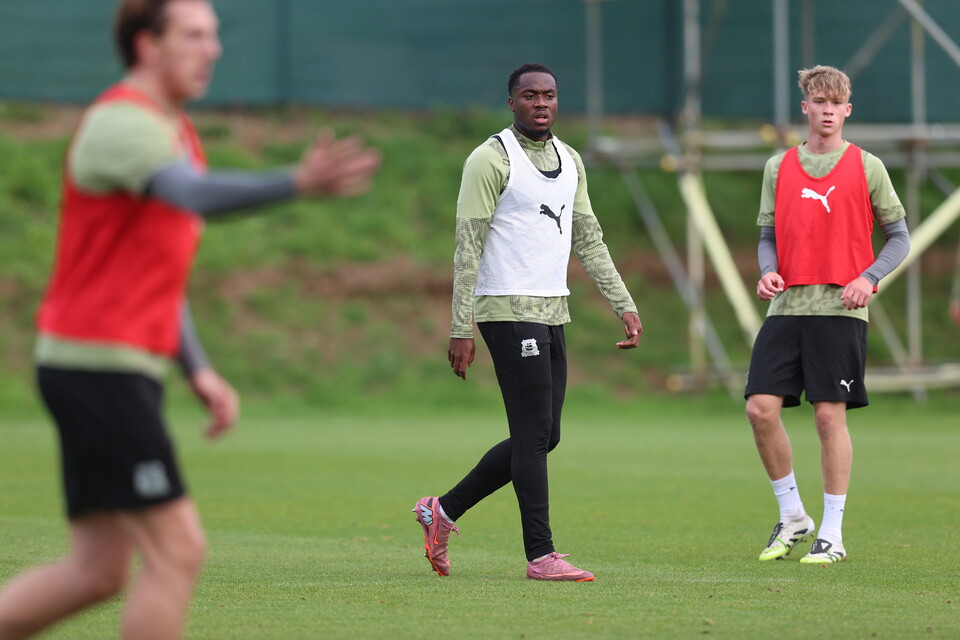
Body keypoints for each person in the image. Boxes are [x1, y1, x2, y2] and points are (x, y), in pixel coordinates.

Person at [0, 1, 379, 638]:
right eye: (195, 35)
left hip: (106, 365)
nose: (214, 50)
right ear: (148, 45)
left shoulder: (172, 134)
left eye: (215, 35)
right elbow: (194, 195)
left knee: (97, 571)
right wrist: (295, 181)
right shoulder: (122, 122)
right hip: (98, 366)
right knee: (178, 549)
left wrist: (197, 368)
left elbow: (156, 273)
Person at [412, 63, 642, 582]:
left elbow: (588, 237)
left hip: (552, 309)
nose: (542, 103)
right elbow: (466, 247)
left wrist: (622, 301)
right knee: (534, 434)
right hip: (505, 311)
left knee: (544, 435)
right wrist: (461, 326)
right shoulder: (489, 159)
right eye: (530, 95)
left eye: (550, 95)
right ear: (512, 102)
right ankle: (542, 555)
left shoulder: (571, 159)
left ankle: (441, 511)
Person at [745, 65, 909, 564]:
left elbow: (899, 238)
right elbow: (767, 237)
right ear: (806, 108)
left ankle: (832, 534)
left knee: (826, 417)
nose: (828, 111)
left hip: (840, 308)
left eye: (836, 103)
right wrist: (768, 270)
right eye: (819, 102)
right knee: (760, 408)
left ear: (848, 110)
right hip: (787, 305)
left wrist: (868, 278)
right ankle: (793, 515)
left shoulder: (867, 166)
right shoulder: (779, 167)